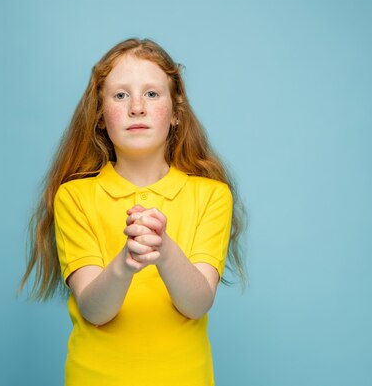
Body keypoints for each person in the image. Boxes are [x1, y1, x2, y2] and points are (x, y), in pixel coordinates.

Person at [18, 38, 246, 386]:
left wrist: (164, 250)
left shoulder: (212, 195)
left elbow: (198, 303)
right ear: (98, 115)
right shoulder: (74, 197)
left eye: (152, 94)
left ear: (175, 113)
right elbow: (95, 310)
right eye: (121, 95)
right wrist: (126, 262)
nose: (136, 107)